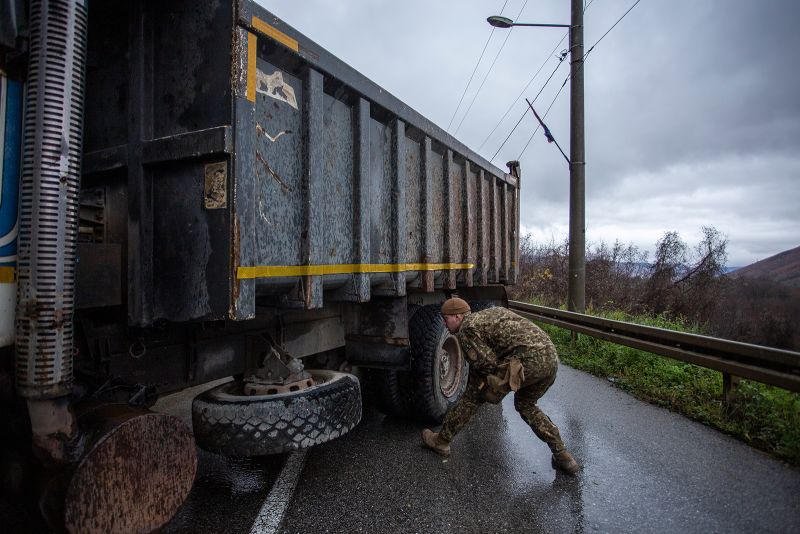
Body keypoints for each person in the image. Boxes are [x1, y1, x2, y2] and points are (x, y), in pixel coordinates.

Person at [421, 297, 580, 475]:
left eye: (446, 318)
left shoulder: (466, 329)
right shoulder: (488, 316)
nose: (444, 323)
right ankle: (563, 455)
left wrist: (481, 389)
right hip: (550, 359)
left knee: (472, 399)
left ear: (458, 317)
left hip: (527, 362)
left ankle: (441, 441)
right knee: (526, 405)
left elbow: (487, 364)